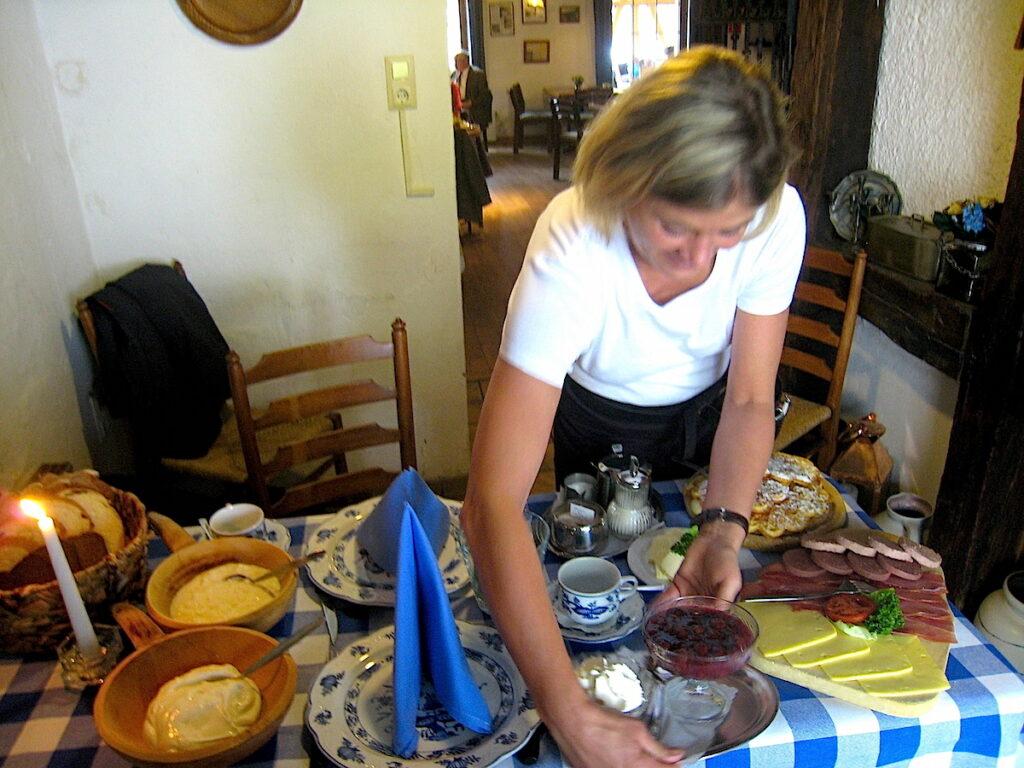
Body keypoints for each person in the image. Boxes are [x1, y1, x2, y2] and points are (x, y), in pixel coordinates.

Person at [460, 46, 805, 768]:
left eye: (728, 231)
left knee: (689, 585)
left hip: (708, 417)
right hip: (595, 413)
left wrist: (723, 533)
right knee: (585, 586)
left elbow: (748, 398)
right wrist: (568, 711)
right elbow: (492, 504)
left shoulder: (777, 218)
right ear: (626, 184)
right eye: (677, 227)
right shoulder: (575, 239)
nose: (701, 260)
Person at [451, 51, 493, 148]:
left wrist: (470, 103)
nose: (455, 65)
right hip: (459, 104)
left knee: (468, 116)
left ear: (464, 62)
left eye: (457, 62)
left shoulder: (478, 75)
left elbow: (484, 96)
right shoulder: (454, 74)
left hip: (474, 106)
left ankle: (475, 147)